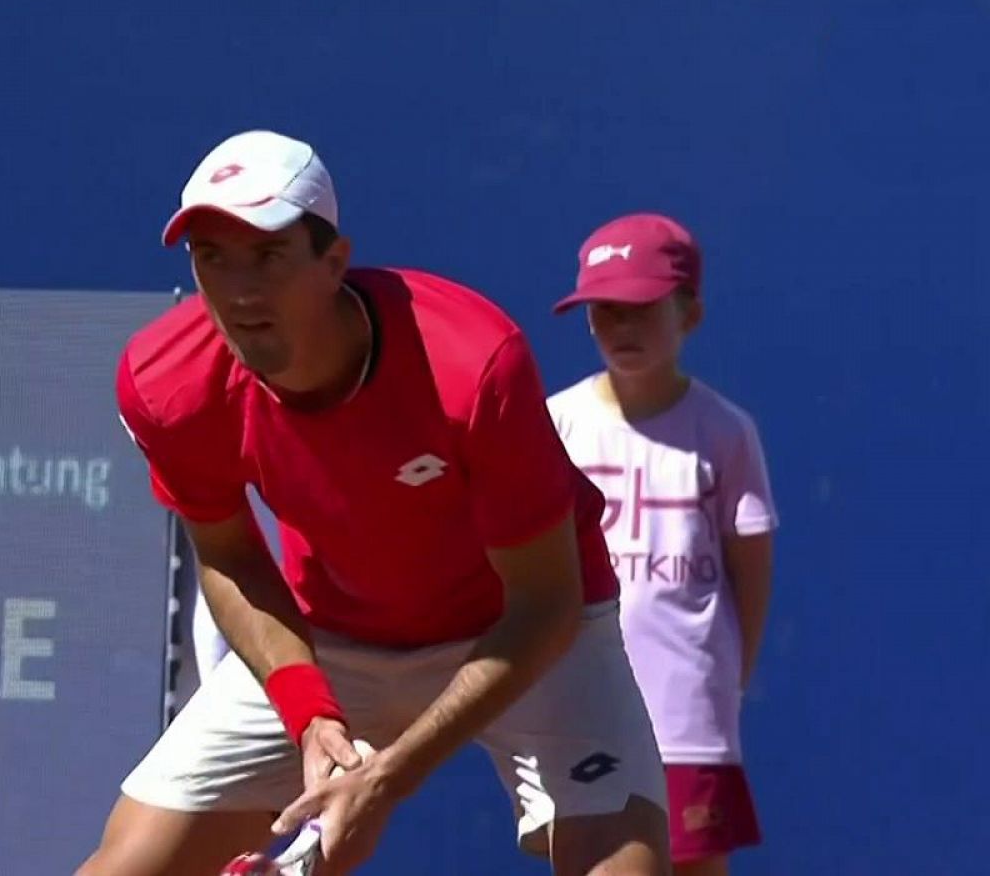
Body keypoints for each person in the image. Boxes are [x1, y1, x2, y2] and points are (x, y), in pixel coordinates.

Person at [76, 129, 670, 875]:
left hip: (525, 633)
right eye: (211, 259)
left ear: (334, 263)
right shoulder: (168, 383)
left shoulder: (470, 364)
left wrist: (387, 778)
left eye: (267, 256)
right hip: (335, 637)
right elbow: (228, 559)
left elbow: (547, 604)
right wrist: (309, 714)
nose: (239, 290)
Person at [547, 214, 777, 876]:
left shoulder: (728, 432)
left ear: (691, 316)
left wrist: (725, 683)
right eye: (604, 312)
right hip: (585, 708)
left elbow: (751, 572)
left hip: (689, 711)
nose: (620, 329)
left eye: (641, 311)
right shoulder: (556, 423)